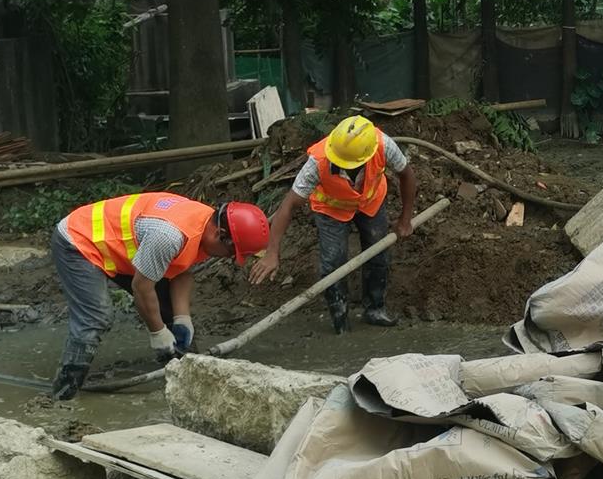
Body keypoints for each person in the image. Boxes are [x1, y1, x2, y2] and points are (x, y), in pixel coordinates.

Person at [51, 194, 270, 399]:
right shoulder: (169, 236)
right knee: (96, 317)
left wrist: (182, 319)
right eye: (231, 253)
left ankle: (184, 377)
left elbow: (181, 271)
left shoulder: (204, 224)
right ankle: (64, 392)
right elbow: (142, 288)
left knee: (169, 310)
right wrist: (157, 333)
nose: (229, 258)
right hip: (79, 241)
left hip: (123, 248)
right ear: (220, 235)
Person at [250, 115, 416, 331]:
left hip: (370, 201)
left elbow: (408, 176)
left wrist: (405, 219)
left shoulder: (383, 144)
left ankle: (375, 309)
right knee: (333, 263)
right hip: (332, 209)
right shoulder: (318, 162)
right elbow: (288, 205)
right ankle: (340, 320)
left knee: (378, 253)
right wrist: (272, 252)